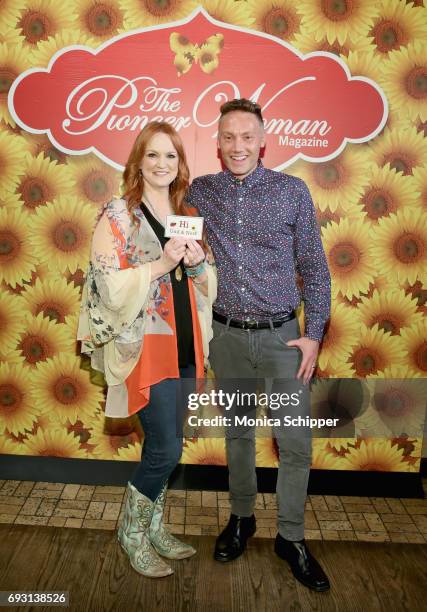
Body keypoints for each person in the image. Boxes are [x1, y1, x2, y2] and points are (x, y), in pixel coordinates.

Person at [186, 99, 331, 592]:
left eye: (247, 137)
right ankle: (242, 519)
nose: (238, 146)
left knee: (294, 445)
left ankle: (291, 538)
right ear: (218, 142)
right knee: (239, 437)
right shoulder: (199, 193)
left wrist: (314, 335)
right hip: (226, 338)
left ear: (262, 141)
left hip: (283, 340)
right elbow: (171, 239)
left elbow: (314, 267)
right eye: (229, 137)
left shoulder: (292, 191)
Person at [78, 121, 216, 578]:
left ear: (180, 164)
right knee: (166, 451)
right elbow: (104, 285)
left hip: (183, 343)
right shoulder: (119, 214)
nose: (162, 164)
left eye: (171, 156)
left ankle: (153, 527)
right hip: (145, 346)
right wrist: (161, 262)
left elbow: (204, 287)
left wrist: (196, 267)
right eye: (153, 155)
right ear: (138, 162)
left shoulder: (186, 211)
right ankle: (131, 533)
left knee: (162, 444)